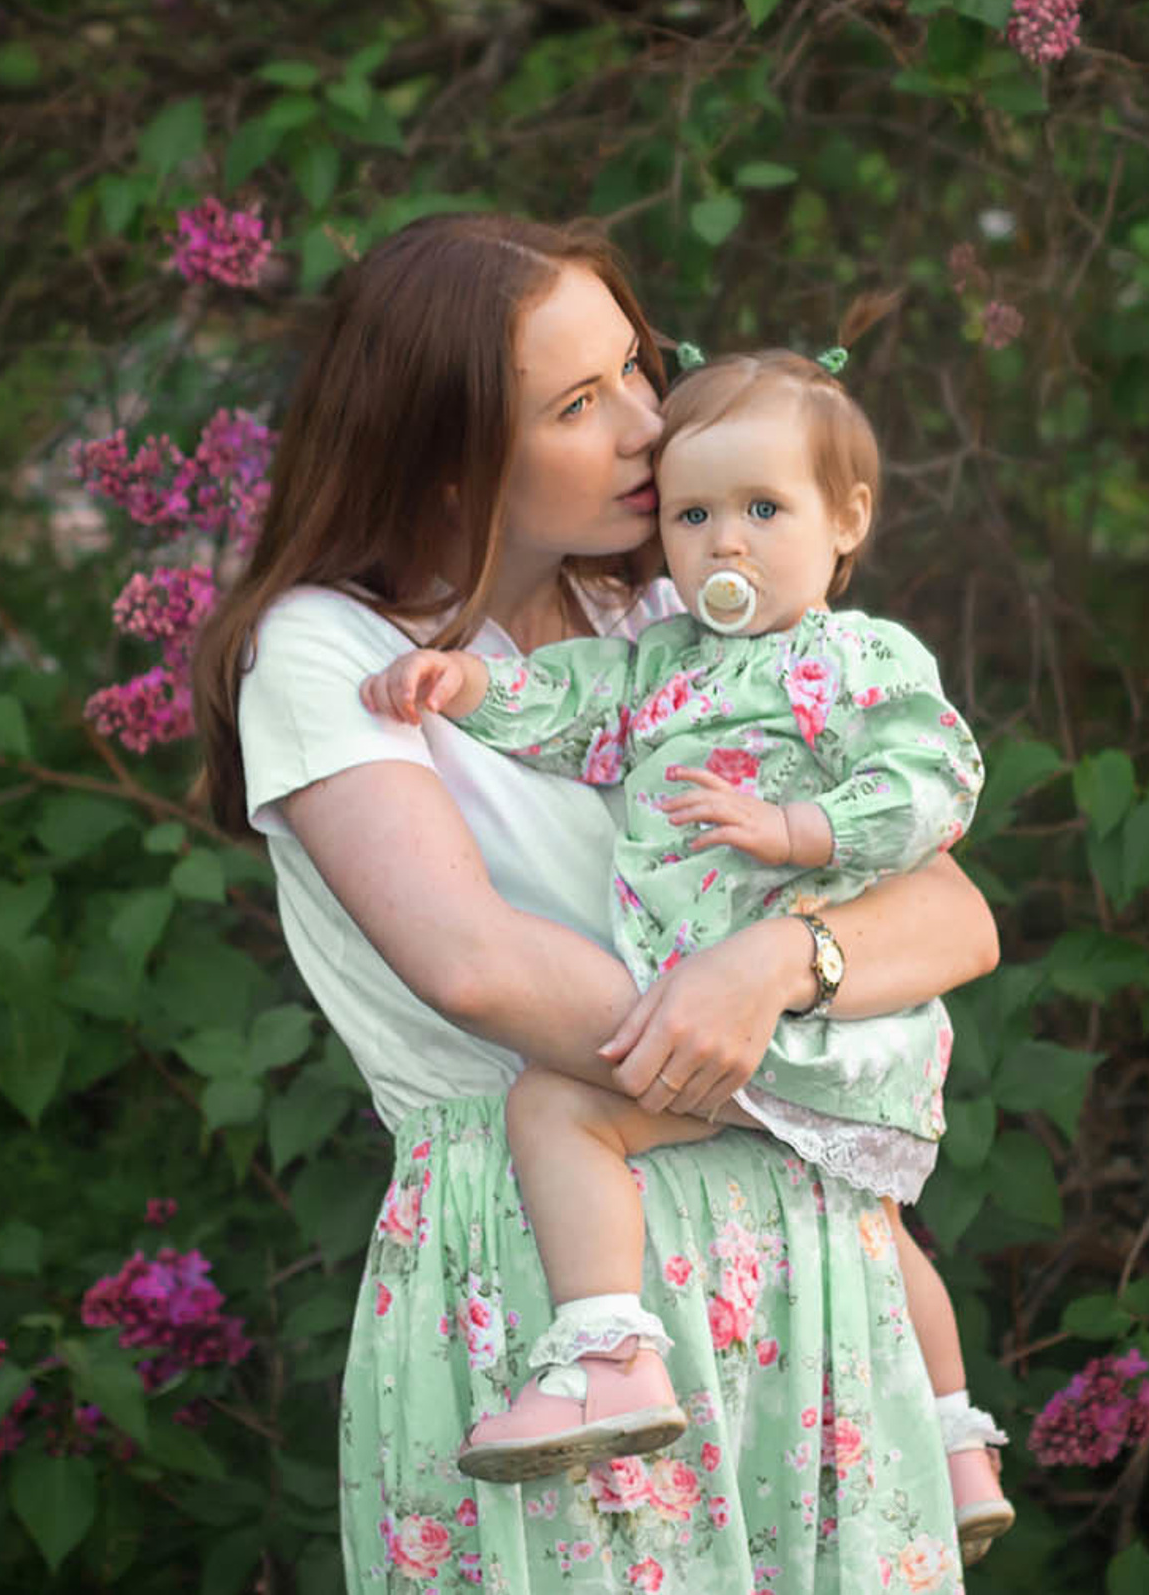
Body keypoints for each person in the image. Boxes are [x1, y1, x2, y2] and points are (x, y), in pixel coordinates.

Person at [190, 214, 1003, 1592]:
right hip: (556, 1266)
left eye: (637, 368)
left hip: (805, 1255)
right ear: (448, 458)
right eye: (581, 404)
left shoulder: (686, 628)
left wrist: (775, 967)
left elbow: (954, 920)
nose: (648, 426)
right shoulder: (332, 653)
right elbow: (476, 964)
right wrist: (809, 1046)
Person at [358, 334, 1013, 1555]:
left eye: (764, 509)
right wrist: (470, 691)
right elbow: (568, 704)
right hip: (745, 1014)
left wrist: (799, 826)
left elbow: (940, 779)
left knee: (561, 1110)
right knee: (864, 1208)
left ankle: (606, 1353)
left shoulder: (853, 658)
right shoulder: (660, 661)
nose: (724, 543)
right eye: (695, 512)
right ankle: (958, 1444)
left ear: (846, 518)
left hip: (805, 1011)